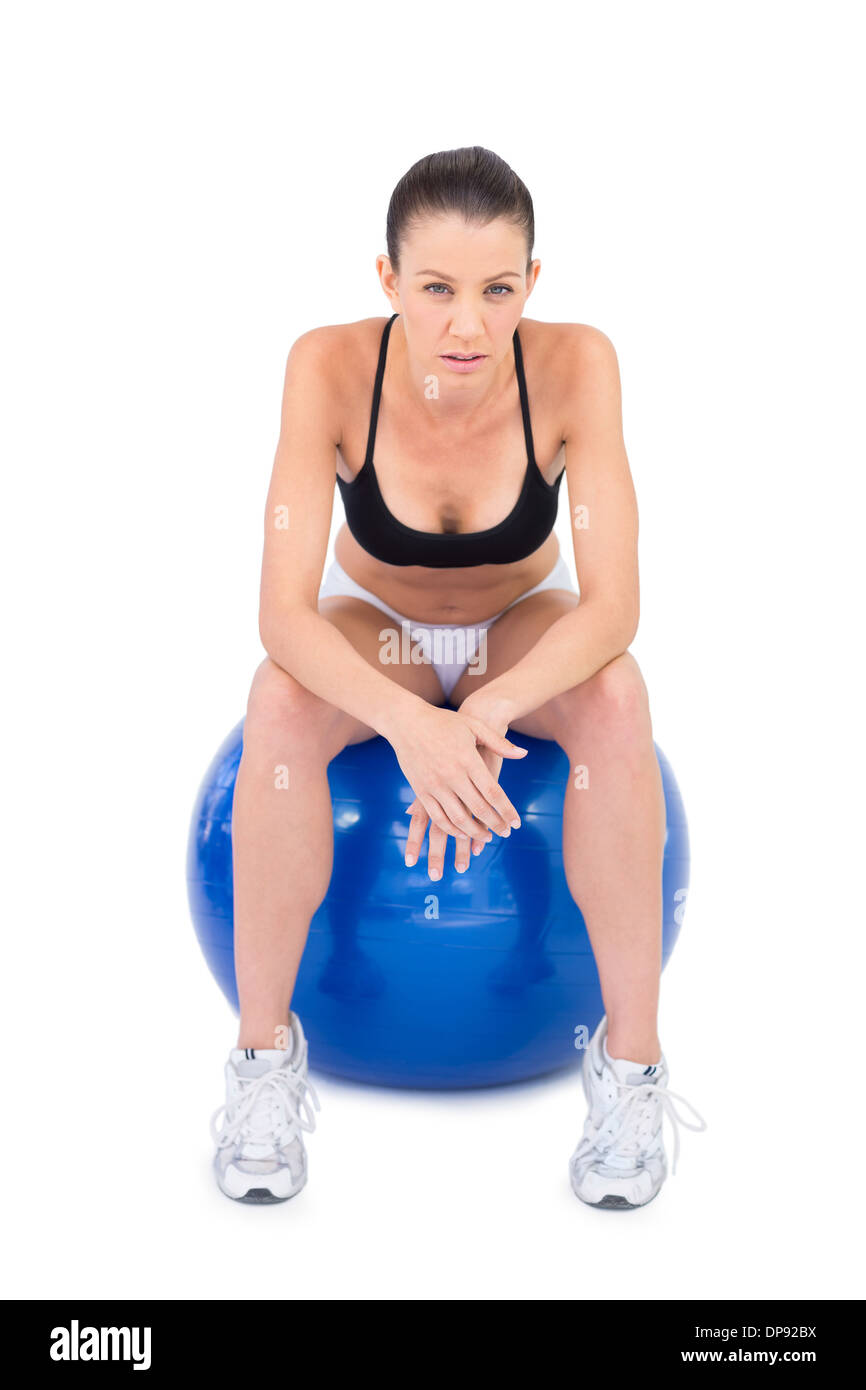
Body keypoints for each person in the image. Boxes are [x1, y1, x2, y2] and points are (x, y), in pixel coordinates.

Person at [209, 146, 706, 1209]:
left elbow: (612, 607)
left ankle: (632, 1075)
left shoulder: (577, 363)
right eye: (436, 289)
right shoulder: (326, 365)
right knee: (276, 699)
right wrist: (409, 725)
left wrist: (483, 710)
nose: (468, 326)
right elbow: (282, 614)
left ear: (533, 281)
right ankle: (260, 1070)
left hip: (515, 636)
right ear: (386, 279)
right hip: (373, 630)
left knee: (618, 692)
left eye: (497, 289)